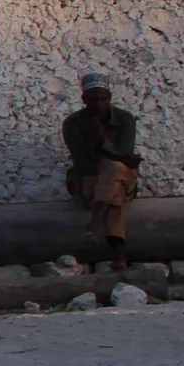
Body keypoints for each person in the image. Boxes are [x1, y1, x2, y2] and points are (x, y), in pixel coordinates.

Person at [64, 70, 141, 270]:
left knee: (114, 169)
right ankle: (119, 252)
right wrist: (110, 153)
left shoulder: (125, 120)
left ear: (110, 99)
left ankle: (93, 225)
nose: (98, 104)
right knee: (113, 182)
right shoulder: (72, 123)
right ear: (83, 99)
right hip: (88, 181)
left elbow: (124, 156)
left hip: (121, 180)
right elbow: (83, 163)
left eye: (103, 99)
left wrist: (101, 141)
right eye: (93, 100)